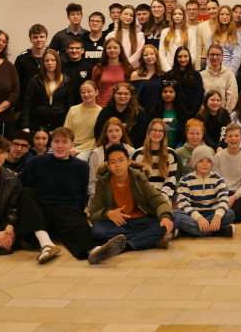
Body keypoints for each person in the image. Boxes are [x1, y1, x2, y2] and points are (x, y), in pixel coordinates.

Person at [18, 127, 126, 264]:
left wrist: (78, 214)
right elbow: (24, 184)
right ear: (51, 144)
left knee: (79, 223)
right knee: (26, 193)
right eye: (56, 142)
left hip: (67, 211)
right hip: (42, 213)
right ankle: (46, 245)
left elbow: (82, 195)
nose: (60, 146)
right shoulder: (37, 162)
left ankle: (93, 250)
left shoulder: (81, 167)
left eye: (64, 142)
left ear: (72, 145)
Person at [88, 144, 174, 252]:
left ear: (128, 161)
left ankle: (126, 245)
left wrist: (165, 217)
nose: (117, 165)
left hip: (141, 221)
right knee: (97, 229)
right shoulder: (103, 183)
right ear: (108, 166)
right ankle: (151, 239)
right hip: (119, 225)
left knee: (172, 219)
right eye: (113, 162)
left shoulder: (138, 178)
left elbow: (158, 200)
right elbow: (94, 213)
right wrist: (108, 213)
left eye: (121, 160)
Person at [174, 145, 235, 237]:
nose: (205, 164)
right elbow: (183, 203)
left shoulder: (218, 179)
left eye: (208, 161)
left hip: (212, 212)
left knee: (230, 214)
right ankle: (219, 231)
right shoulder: (185, 180)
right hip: (193, 214)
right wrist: (199, 218)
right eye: (201, 161)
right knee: (175, 215)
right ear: (194, 163)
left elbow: (224, 200)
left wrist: (218, 216)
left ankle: (186, 232)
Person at [19, 49, 78, 133]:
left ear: (57, 62)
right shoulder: (36, 80)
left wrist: (69, 125)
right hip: (39, 120)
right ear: (43, 63)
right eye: (47, 60)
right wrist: (25, 126)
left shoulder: (66, 80)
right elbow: (28, 104)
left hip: (59, 121)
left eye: (53, 60)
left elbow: (70, 105)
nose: (50, 63)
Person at [213, 123, 241, 223]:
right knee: (214, 210)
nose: (233, 139)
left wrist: (234, 197)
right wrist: (223, 197)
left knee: (236, 214)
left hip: (238, 194)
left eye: (236, 136)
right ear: (225, 139)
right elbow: (216, 180)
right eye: (230, 136)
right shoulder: (218, 157)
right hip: (221, 192)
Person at [131, 119, 179, 201]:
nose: (157, 133)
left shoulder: (171, 154)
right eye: (154, 130)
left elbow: (171, 179)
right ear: (149, 132)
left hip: (164, 198)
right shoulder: (138, 154)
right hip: (144, 198)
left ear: (164, 134)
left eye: (160, 131)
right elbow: (136, 181)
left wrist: (162, 197)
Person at [93, 82, 147, 147]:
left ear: (131, 96)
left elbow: (139, 136)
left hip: (130, 149)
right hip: (108, 148)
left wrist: (122, 147)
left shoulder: (138, 113)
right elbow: (98, 132)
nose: (122, 96)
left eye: (126, 93)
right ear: (114, 95)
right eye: (119, 93)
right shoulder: (105, 112)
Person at [92, 38, 133, 107]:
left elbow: (131, 90)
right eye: (109, 48)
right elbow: (94, 89)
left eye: (115, 48)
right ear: (105, 50)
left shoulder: (128, 68)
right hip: (102, 106)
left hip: (122, 106)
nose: (112, 50)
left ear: (120, 50)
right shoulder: (98, 69)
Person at [65, 80, 103, 152]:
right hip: (71, 146)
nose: (86, 94)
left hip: (89, 148)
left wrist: (78, 150)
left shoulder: (101, 112)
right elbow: (66, 132)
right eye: (83, 92)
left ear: (96, 92)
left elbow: (99, 138)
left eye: (89, 91)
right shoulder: (73, 109)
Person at [159, 4, 197, 72]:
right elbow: (161, 52)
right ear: (171, 16)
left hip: (185, 70)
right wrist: (169, 70)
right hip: (168, 69)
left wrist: (184, 69)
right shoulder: (165, 32)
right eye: (174, 14)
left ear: (184, 16)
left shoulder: (191, 32)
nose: (177, 16)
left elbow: (193, 53)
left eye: (180, 14)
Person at [15, 24, 48, 105]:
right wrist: (17, 107)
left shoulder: (53, 58)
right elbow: (16, 85)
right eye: (35, 37)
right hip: (26, 104)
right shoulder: (21, 59)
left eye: (41, 37)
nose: (39, 40)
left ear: (46, 38)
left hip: (47, 105)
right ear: (30, 39)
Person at [200, 44, 238, 109]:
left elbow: (232, 99)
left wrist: (226, 115)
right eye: (212, 54)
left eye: (218, 55)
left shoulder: (229, 75)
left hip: (223, 115)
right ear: (208, 56)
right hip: (205, 115)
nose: (215, 57)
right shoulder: (201, 75)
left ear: (222, 56)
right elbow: (199, 98)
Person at [210, 5, 241, 73]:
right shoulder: (213, 35)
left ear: (231, 17)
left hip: (230, 71)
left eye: (227, 14)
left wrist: (230, 73)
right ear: (218, 16)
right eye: (222, 14)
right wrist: (211, 71)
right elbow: (209, 55)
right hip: (214, 70)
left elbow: (237, 57)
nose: (224, 17)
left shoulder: (236, 35)